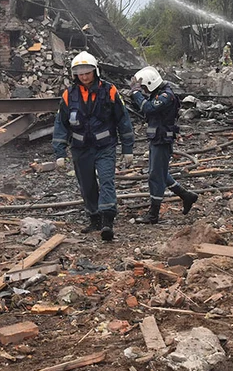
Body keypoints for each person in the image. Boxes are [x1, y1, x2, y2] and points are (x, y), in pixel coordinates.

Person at [53, 51, 134, 241]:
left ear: (95, 71)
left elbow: (123, 119)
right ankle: (94, 218)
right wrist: (59, 152)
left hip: (105, 146)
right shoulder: (68, 95)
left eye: (87, 71)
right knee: (87, 184)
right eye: (80, 72)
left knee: (106, 180)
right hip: (80, 149)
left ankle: (107, 220)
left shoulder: (109, 91)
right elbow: (61, 124)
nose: (84, 76)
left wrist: (127, 148)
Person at [129, 66, 198, 224]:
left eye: (145, 87)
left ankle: (153, 214)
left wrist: (136, 94)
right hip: (156, 139)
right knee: (160, 172)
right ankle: (186, 195)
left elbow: (150, 108)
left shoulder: (166, 95)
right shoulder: (158, 93)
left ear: (151, 83)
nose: (144, 91)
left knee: (155, 175)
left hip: (162, 140)